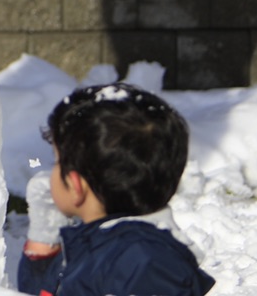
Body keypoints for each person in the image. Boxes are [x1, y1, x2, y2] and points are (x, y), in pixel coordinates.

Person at [17, 83, 215, 296]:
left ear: (76, 186)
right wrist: (44, 236)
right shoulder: (98, 245)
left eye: (56, 162)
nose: (50, 174)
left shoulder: (143, 258)